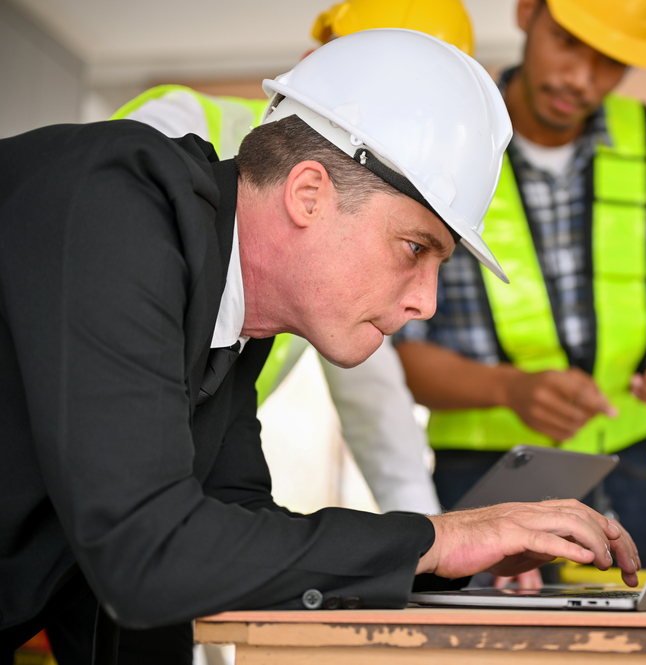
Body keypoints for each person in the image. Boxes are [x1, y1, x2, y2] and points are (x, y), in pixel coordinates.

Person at [0, 30, 640, 665]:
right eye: (415, 249)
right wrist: (436, 540)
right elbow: (150, 552)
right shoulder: (116, 198)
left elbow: (227, 529)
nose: (427, 302)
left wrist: (449, 554)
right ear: (309, 194)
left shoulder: (233, 310)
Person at [395, 0, 646, 567]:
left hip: (625, 475)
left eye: (611, 61)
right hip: (479, 482)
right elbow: (398, 354)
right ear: (528, 11)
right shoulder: (442, 142)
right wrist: (511, 390)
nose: (580, 78)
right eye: (569, 42)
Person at [108, 0, 477, 517]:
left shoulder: (358, 250)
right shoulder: (178, 136)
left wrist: (436, 541)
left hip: (203, 450)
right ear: (314, 63)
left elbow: (374, 401)